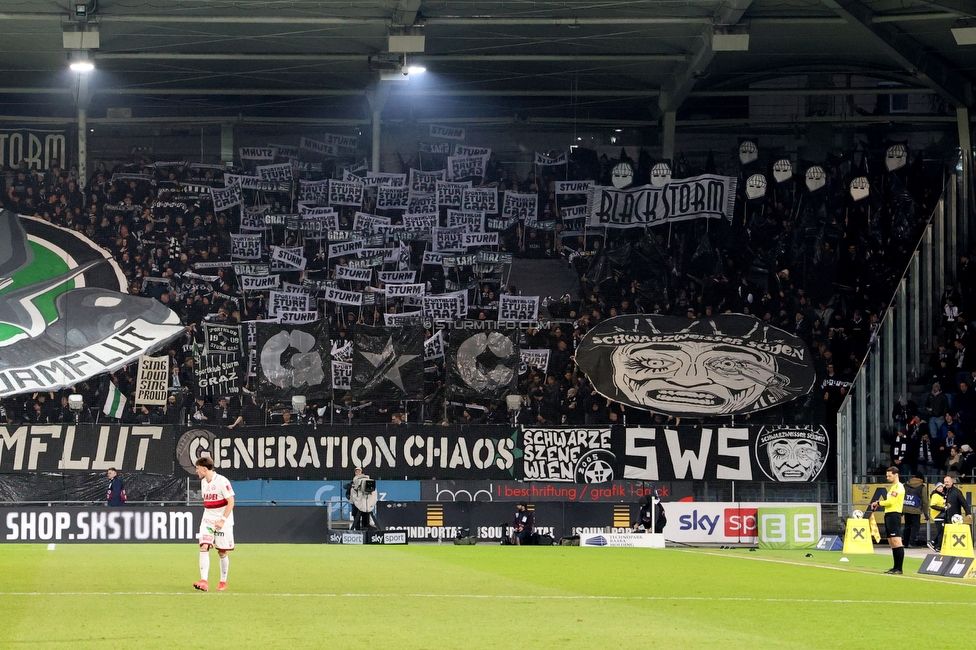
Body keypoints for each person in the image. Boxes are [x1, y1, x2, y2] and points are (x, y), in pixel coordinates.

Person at [193, 456, 235, 592]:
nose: (196, 471)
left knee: (222, 552)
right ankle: (204, 581)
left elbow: (231, 502)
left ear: (204, 469)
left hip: (223, 521)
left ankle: (223, 582)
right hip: (208, 519)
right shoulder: (204, 482)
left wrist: (222, 519)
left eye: (197, 468)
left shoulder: (222, 481)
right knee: (204, 546)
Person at [870, 466, 905, 575]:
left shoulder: (899, 487)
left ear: (896, 475)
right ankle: (895, 567)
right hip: (889, 514)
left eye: (890, 476)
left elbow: (891, 502)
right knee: (891, 541)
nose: (888, 478)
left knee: (896, 541)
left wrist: (878, 503)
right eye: (887, 476)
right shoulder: (893, 487)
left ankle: (899, 568)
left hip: (894, 514)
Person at [902, 471, 928, 547]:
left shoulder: (906, 485)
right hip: (916, 509)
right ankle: (911, 542)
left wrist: (901, 509)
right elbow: (925, 501)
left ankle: (905, 542)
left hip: (906, 508)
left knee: (907, 525)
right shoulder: (922, 487)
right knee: (915, 526)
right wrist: (925, 513)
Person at [928, 483, 946, 551]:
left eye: (942, 487)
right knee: (940, 531)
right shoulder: (935, 495)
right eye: (939, 487)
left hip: (941, 515)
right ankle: (937, 546)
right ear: (936, 488)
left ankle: (933, 543)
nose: (941, 488)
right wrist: (943, 509)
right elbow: (932, 505)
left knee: (941, 531)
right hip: (938, 515)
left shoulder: (941, 495)